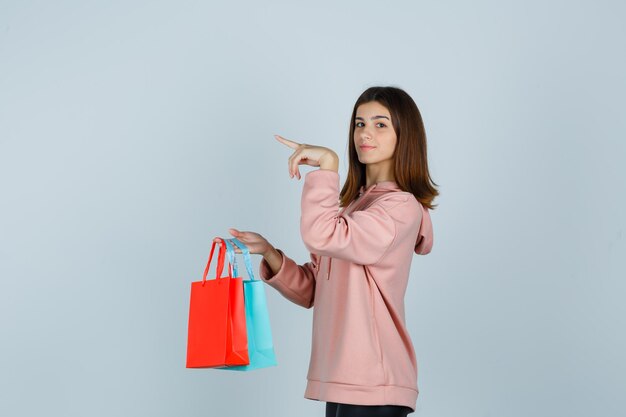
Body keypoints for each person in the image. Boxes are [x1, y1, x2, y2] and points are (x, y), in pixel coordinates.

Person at [216, 86, 438, 417]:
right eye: (359, 124)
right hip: (345, 376)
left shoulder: (400, 208)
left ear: (404, 136)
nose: (365, 134)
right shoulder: (354, 210)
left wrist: (327, 167)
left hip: (374, 381)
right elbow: (314, 290)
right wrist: (268, 253)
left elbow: (322, 234)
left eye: (380, 124)